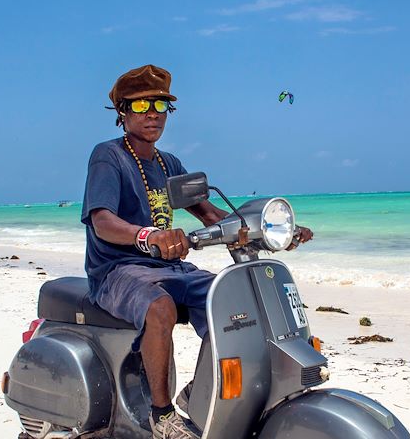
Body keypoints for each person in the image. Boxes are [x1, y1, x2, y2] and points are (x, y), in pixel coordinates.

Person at [82, 65, 311, 439]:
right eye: (141, 106)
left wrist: (270, 230)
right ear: (122, 113)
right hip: (116, 269)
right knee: (160, 307)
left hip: (170, 269)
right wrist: (148, 236)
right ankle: (161, 415)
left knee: (234, 301)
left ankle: (198, 393)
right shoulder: (108, 156)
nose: (152, 113)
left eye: (159, 105)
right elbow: (102, 220)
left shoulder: (168, 164)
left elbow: (211, 214)